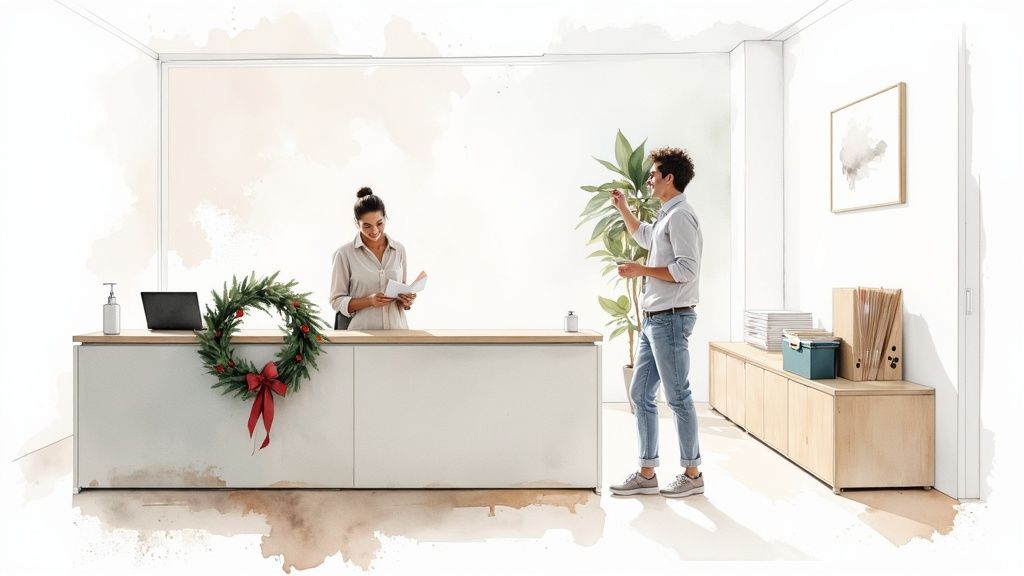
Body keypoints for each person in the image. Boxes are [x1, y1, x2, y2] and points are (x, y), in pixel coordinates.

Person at [608, 146, 704, 498]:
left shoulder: (682, 216)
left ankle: (693, 473)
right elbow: (646, 237)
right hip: (654, 320)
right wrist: (623, 208)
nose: (649, 179)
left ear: (670, 178)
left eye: (654, 174)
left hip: (672, 320)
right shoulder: (667, 214)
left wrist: (640, 270)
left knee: (678, 397)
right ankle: (647, 473)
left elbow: (685, 270)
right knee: (641, 393)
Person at [330, 187, 416, 330]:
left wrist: (406, 301)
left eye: (379, 223)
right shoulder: (344, 254)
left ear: (385, 218)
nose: (375, 230)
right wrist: (369, 301)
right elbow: (336, 302)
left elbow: (402, 293)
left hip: (398, 334)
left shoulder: (399, 250)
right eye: (367, 226)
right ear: (357, 224)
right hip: (362, 338)